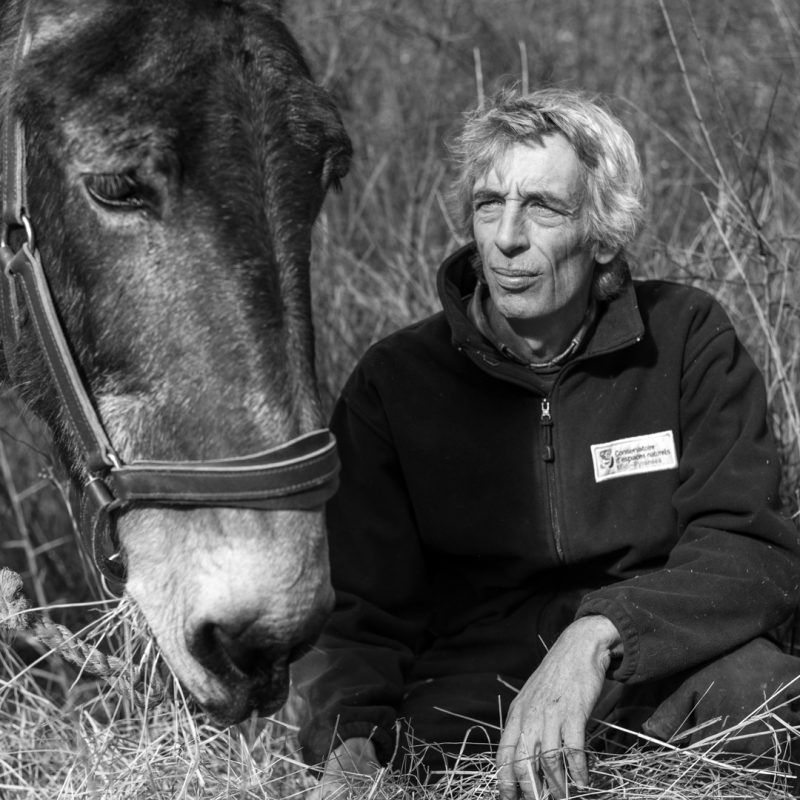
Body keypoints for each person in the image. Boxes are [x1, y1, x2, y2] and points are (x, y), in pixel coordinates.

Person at [294, 87, 800, 799]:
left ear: (603, 233)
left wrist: (599, 633)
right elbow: (357, 612)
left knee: (772, 702)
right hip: (473, 697)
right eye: (488, 204)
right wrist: (347, 744)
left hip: (657, 664)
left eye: (542, 207)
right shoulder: (395, 382)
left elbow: (750, 549)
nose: (505, 238)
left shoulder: (687, 337)